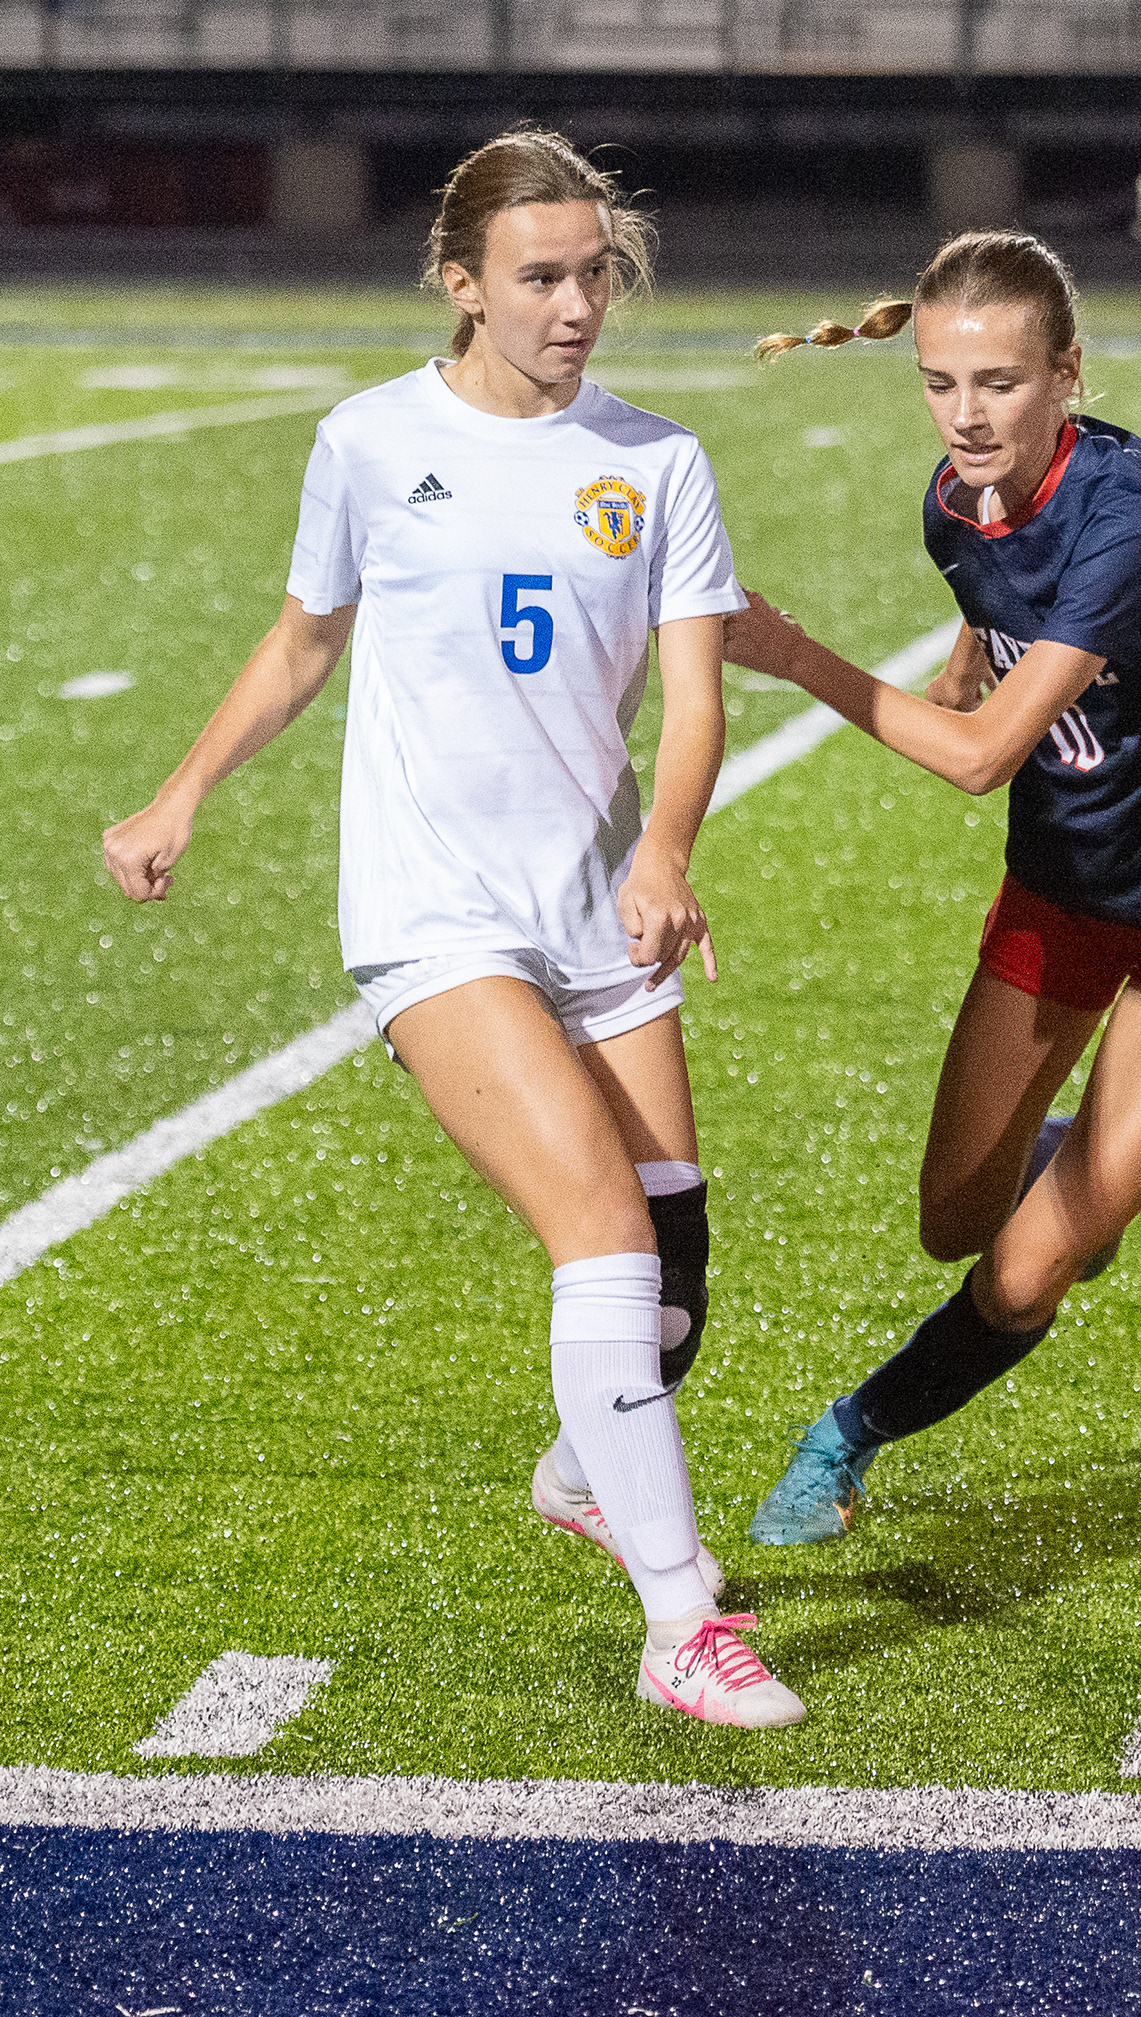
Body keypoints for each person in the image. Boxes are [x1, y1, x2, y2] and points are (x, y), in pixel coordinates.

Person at [100, 128, 804, 1728]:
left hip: (598, 907)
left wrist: (668, 849)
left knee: (672, 1283)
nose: (577, 306)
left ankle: (588, 1472)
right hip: (435, 914)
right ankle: (680, 1624)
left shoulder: (661, 463)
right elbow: (304, 640)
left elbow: (695, 698)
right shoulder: (368, 443)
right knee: (603, 1239)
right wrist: (179, 792)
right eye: (541, 277)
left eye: (594, 275)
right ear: (461, 281)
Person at [726, 230, 1141, 1547]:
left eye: (998, 382)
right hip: (1065, 881)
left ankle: (849, 1434)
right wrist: (960, 656)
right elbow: (986, 620)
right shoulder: (955, 500)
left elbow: (983, 756)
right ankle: (1074, 1161)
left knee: (1027, 1267)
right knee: (953, 1221)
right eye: (941, 383)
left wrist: (794, 654)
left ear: (1067, 374)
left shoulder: (1132, 516)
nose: (967, 415)